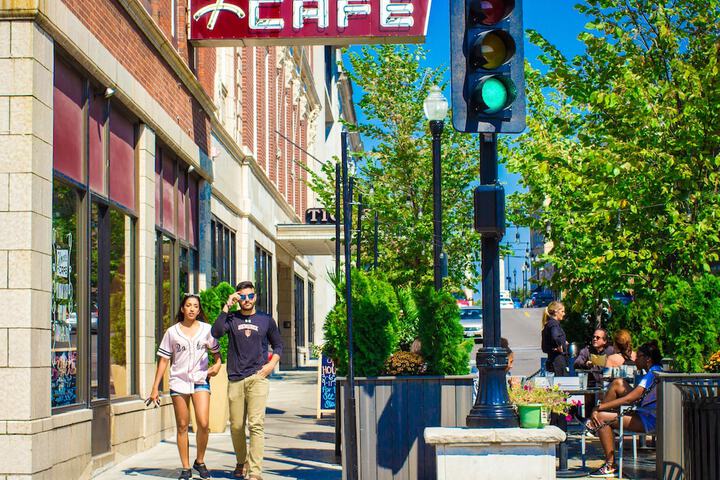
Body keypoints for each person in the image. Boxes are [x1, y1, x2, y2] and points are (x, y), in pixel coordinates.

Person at [212, 281, 284, 480]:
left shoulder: (265, 319)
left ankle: (255, 472)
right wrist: (227, 306)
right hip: (235, 378)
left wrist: (271, 366)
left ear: (255, 297)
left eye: (250, 296)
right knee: (236, 426)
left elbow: (278, 345)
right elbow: (216, 332)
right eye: (242, 297)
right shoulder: (232, 318)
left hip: (257, 377)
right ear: (238, 298)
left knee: (256, 425)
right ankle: (241, 461)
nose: (246, 300)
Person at [149, 294, 222, 480]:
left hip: (200, 380)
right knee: (182, 425)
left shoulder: (207, 330)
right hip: (179, 382)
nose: (191, 309)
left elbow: (216, 354)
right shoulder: (172, 332)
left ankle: (200, 461)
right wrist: (155, 388)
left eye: (195, 306)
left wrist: (218, 365)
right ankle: (186, 467)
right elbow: (164, 360)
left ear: (199, 310)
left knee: (203, 424)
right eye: (188, 305)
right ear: (182, 309)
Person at [587, 341, 664, 477]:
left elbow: (630, 399)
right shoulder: (654, 370)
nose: (635, 359)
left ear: (648, 359)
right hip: (645, 413)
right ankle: (597, 423)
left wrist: (598, 408)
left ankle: (610, 465)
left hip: (650, 420)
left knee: (601, 417)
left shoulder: (653, 373)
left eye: (639, 356)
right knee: (618, 383)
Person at [541, 301, 569, 375]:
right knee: (561, 384)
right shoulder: (554, 324)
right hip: (558, 362)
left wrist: (561, 343)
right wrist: (560, 345)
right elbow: (555, 336)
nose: (564, 314)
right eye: (562, 311)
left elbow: (544, 348)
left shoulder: (548, 324)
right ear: (556, 312)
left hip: (551, 361)